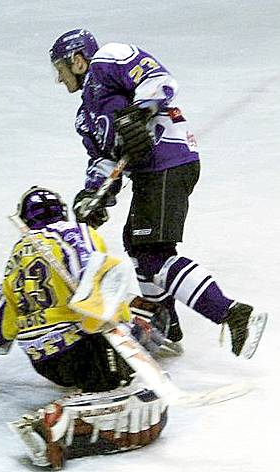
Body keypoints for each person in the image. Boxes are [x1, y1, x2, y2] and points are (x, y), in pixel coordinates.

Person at [48, 28, 263, 357]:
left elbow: (158, 79)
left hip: (170, 159)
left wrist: (140, 112)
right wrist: (94, 196)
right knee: (138, 245)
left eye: (60, 70)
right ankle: (166, 323)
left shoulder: (110, 58)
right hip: (153, 171)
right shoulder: (85, 117)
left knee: (154, 253)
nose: (59, 80)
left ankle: (234, 315)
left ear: (78, 60)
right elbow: (104, 160)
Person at [0, 186, 168, 468]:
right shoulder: (79, 233)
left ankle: (91, 393)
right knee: (147, 397)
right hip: (85, 350)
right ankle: (65, 422)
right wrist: (123, 324)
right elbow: (101, 282)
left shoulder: (19, 256)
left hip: (47, 363)